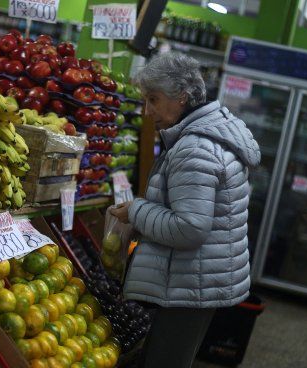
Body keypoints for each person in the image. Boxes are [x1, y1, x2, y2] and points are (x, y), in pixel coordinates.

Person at [111, 52, 260, 368]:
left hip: (191, 283)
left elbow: (189, 227)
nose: (147, 110)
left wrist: (137, 212)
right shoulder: (215, 132)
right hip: (201, 278)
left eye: (154, 99)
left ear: (182, 96)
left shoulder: (195, 148)